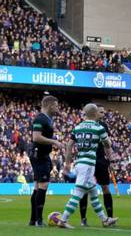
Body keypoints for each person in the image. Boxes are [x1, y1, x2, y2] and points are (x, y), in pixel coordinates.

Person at [57, 104, 118, 228]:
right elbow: (108, 144)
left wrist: (67, 164)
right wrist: (111, 160)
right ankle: (63, 220)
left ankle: (105, 219)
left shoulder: (78, 127)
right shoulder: (99, 127)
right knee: (78, 193)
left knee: (93, 193)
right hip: (89, 164)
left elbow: (69, 145)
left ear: (85, 113)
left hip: (79, 163)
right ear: (95, 114)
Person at [29, 95, 64, 226]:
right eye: (56, 105)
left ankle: (33, 220)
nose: (57, 107)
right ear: (49, 105)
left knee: (38, 187)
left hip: (43, 155)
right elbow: (36, 137)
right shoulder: (40, 118)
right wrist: (54, 141)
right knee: (43, 186)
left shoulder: (48, 119)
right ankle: (39, 220)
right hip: (39, 155)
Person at [79, 104, 114, 226]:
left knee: (105, 188)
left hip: (100, 161)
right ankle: (83, 219)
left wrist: (111, 160)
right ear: (94, 113)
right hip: (88, 161)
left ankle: (110, 217)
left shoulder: (103, 126)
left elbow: (107, 145)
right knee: (83, 190)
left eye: (104, 112)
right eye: (101, 112)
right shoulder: (84, 125)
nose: (103, 114)